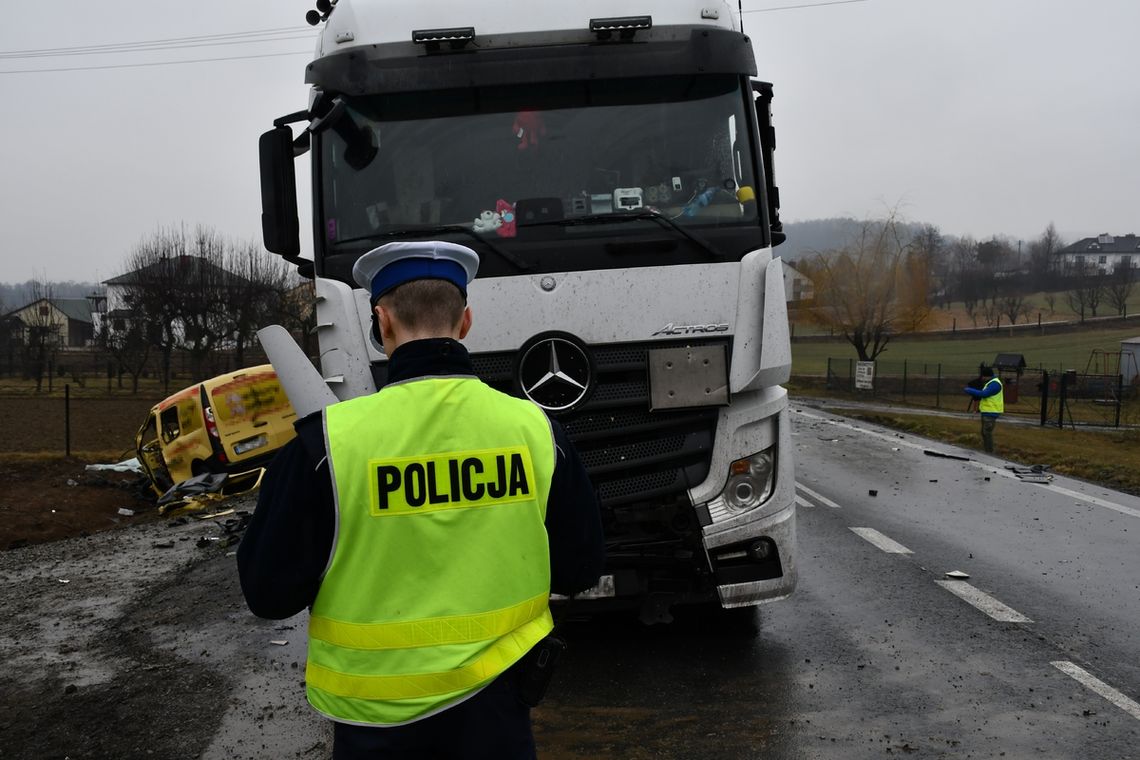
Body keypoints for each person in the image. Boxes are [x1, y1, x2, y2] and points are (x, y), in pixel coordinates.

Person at [237, 240, 605, 759]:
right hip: (498, 713)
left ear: (381, 323)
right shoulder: (537, 429)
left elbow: (268, 594)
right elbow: (581, 568)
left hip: (374, 727)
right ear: (467, 321)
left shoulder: (327, 444)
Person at [964, 366, 1004, 453]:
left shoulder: (994, 384)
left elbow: (984, 394)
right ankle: (987, 450)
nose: (982, 378)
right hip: (988, 411)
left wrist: (970, 390)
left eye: (983, 376)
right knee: (984, 432)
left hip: (991, 412)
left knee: (987, 432)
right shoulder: (991, 382)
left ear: (987, 376)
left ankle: (989, 452)